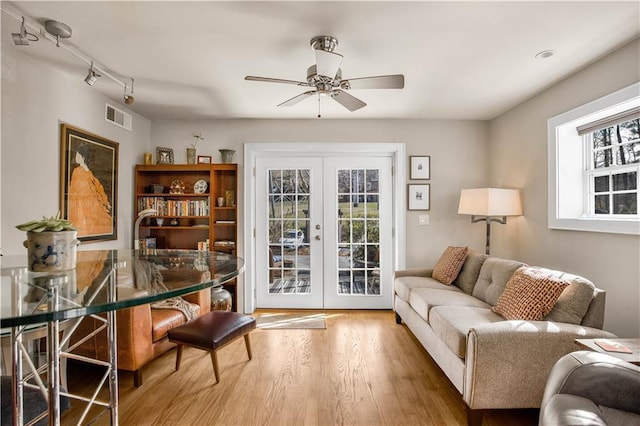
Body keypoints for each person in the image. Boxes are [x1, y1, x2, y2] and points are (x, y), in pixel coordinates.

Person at [68, 143, 112, 237]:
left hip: (91, 207)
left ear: (83, 157)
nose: (76, 157)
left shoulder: (87, 174)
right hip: (81, 207)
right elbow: (73, 192)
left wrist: (105, 202)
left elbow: (98, 189)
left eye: (77, 155)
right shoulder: (77, 171)